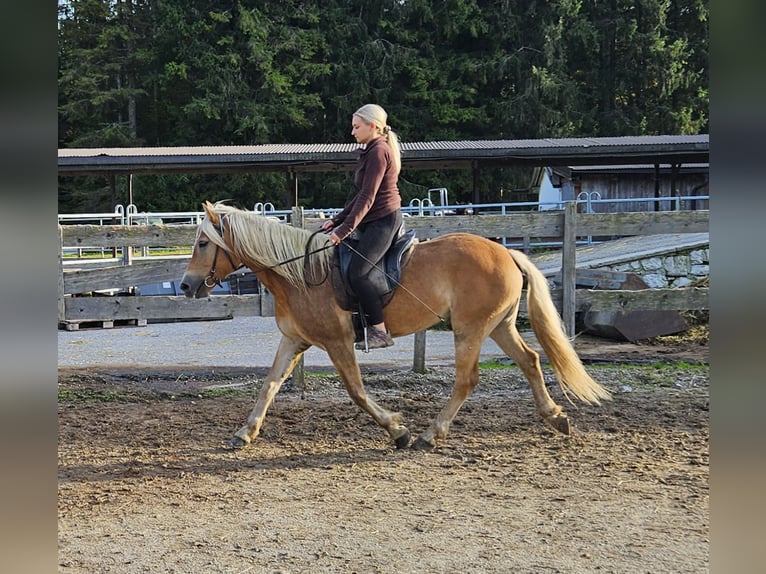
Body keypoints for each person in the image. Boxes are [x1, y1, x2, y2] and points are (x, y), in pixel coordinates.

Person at [321, 104, 403, 350]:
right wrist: (337, 219)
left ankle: (379, 330)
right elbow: (359, 197)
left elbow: (368, 197)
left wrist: (343, 231)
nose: (352, 132)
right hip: (372, 220)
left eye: (356, 127)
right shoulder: (371, 150)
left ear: (373, 126)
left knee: (358, 273)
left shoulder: (379, 151)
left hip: (384, 221)